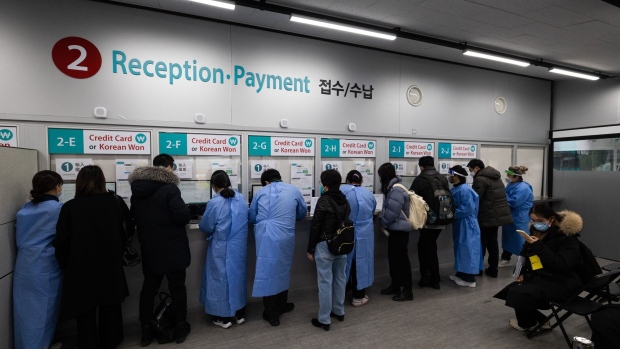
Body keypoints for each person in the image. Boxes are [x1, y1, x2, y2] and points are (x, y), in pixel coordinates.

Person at [54, 165, 132, 348]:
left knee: (85, 310)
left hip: (80, 265)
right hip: (110, 263)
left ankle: (88, 342)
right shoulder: (115, 201)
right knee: (111, 306)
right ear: (102, 181)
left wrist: (66, 265)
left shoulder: (70, 207)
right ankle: (111, 340)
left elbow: (62, 241)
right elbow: (128, 227)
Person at [129, 154, 192, 346]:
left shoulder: (137, 191)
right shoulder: (169, 188)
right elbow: (182, 217)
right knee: (177, 288)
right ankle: (180, 328)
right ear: (169, 167)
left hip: (151, 248)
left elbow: (134, 216)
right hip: (173, 248)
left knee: (149, 290)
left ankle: (146, 332)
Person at [494, 203, 583, 331]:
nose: (536, 224)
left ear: (551, 219)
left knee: (518, 292)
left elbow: (562, 265)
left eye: (539, 221)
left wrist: (539, 246)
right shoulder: (536, 231)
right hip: (544, 275)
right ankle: (540, 321)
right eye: (533, 221)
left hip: (563, 282)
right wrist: (520, 272)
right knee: (512, 289)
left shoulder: (567, 237)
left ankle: (528, 324)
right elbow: (525, 255)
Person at [249, 169, 307, 326]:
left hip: (266, 236)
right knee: (283, 269)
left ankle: (272, 313)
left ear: (266, 182)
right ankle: (282, 305)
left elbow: (252, 216)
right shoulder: (294, 190)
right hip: (285, 236)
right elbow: (302, 213)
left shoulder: (260, 192)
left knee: (267, 271)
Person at [13, 171, 64, 349]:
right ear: (57, 186)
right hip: (46, 264)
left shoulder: (24, 210)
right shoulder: (58, 209)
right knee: (46, 309)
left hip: (24, 265)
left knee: (26, 312)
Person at [199, 170, 248, 329]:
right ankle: (238, 313)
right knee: (237, 277)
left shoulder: (215, 202)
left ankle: (222, 317)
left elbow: (206, 226)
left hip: (221, 247)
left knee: (219, 280)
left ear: (213, 186)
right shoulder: (240, 198)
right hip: (238, 247)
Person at [307, 169, 350, 331]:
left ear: (325, 185)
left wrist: (310, 248)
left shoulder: (324, 200)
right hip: (341, 245)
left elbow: (316, 225)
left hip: (325, 245)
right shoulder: (345, 200)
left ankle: (324, 319)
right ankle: (339, 311)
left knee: (325, 282)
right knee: (340, 278)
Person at [410, 156, 451, 289]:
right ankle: (430, 276)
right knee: (427, 246)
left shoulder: (420, 179)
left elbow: (412, 198)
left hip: (428, 220)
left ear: (421, 166)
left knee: (427, 247)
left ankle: (432, 278)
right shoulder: (442, 178)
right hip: (442, 218)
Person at [467, 159, 513, 278]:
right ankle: (493, 269)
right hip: (497, 216)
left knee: (481, 243)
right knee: (493, 243)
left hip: (485, 215)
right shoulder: (496, 177)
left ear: (476, 168)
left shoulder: (480, 179)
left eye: (471, 170)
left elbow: (475, 198)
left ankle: (479, 269)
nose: (470, 172)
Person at [378, 163, 414, 302]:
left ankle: (407, 290)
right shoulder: (393, 188)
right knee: (394, 260)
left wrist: (383, 223)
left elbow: (393, 212)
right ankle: (396, 285)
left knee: (402, 261)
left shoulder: (396, 190)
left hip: (399, 231)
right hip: (395, 230)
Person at [341, 170, 376, 307]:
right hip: (364, 233)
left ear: (347, 180)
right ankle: (358, 297)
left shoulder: (342, 191)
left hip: (345, 232)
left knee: (342, 263)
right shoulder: (368, 194)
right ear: (361, 181)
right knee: (362, 263)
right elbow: (372, 211)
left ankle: (339, 294)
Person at [447, 166, 481, 288]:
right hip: (461, 223)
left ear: (456, 176)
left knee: (468, 249)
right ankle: (461, 274)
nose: (449, 177)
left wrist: (451, 214)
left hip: (467, 224)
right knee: (461, 249)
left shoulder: (465, 190)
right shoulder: (457, 189)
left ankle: (469, 279)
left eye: (450, 174)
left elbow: (467, 208)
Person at [499, 166, 534, 267]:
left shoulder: (524, 188)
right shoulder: (511, 184)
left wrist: (503, 196)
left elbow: (514, 202)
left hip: (520, 218)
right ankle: (506, 258)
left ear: (516, 177)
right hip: (510, 216)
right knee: (508, 238)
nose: (507, 177)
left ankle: (525, 261)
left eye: (509, 175)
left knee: (521, 240)